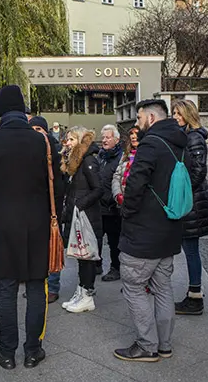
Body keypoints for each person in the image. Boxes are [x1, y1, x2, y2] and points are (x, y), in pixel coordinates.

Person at [0, 85, 50, 370]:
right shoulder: (41, 141)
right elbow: (57, 185)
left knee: (6, 289)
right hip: (38, 223)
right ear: (23, 110)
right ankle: (33, 351)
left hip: (4, 223)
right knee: (35, 288)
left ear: (1, 111)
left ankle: (7, 352)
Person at [114, 99, 188, 363]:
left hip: (143, 232)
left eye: (139, 118)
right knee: (163, 287)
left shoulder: (150, 144)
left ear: (152, 119)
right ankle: (164, 344)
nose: (136, 123)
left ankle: (147, 345)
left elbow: (134, 185)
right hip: (169, 229)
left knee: (134, 286)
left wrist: (127, 213)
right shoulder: (181, 144)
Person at [170, 100, 208, 316]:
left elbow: (198, 172)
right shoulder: (185, 136)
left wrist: (182, 194)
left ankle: (195, 296)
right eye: (173, 113)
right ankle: (194, 293)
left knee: (191, 250)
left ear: (188, 115)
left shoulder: (194, 138)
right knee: (189, 249)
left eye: (179, 113)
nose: (175, 117)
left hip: (192, 202)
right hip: (191, 200)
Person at [59, 127, 103, 313]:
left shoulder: (88, 160)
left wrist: (79, 205)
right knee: (81, 257)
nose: (67, 143)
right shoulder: (76, 161)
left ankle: (87, 295)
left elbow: (98, 189)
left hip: (85, 217)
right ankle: (82, 291)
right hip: (78, 215)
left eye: (70, 140)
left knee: (87, 258)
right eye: (66, 140)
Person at [28, 116, 64, 303]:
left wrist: (56, 211)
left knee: (53, 249)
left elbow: (60, 184)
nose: (36, 133)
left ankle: (53, 286)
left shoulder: (55, 150)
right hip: (33, 210)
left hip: (51, 210)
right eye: (32, 129)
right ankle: (37, 284)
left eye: (39, 129)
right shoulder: (27, 150)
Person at [98, 125, 123, 282]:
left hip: (113, 207)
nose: (105, 140)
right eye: (103, 137)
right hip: (99, 205)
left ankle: (116, 267)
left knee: (114, 241)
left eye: (108, 137)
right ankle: (96, 264)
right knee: (96, 238)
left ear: (116, 139)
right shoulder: (100, 156)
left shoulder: (121, 157)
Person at [111, 127, 139, 207]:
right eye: (131, 134)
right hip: (123, 204)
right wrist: (117, 195)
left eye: (136, 133)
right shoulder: (125, 154)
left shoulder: (145, 155)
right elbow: (117, 176)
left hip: (137, 204)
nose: (133, 136)